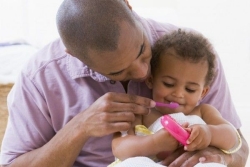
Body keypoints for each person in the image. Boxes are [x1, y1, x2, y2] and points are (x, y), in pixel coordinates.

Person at [0, 0, 248, 167]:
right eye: (118, 71)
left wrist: (216, 157)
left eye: (142, 50)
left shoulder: (191, 59)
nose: (143, 73)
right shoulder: (40, 77)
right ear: (74, 55)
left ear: (129, 5)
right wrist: (80, 127)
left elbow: (240, 148)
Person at [109, 29, 242, 166]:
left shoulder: (204, 112)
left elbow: (232, 139)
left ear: (203, 93)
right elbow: (118, 148)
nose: (178, 94)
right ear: (150, 80)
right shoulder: (141, 113)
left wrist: (209, 134)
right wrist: (154, 143)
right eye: (169, 84)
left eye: (190, 89)